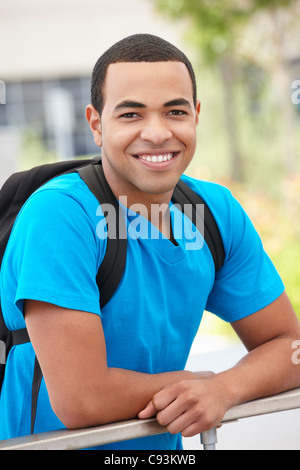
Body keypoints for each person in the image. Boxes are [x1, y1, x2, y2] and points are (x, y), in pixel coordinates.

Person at [0, 34, 299, 450]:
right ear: (96, 124)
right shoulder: (60, 215)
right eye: (131, 114)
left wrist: (225, 390)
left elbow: (290, 347)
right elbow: (81, 399)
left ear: (195, 115)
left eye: (174, 111)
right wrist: (198, 384)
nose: (157, 133)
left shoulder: (215, 212)